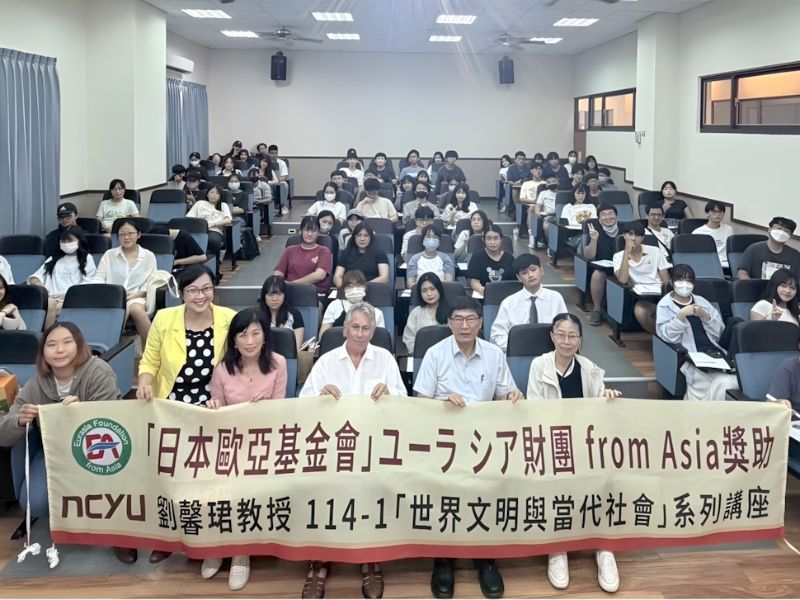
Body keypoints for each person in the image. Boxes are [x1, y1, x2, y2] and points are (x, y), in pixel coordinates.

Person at [413, 297, 521, 600]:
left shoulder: (494, 354)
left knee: (487, 489)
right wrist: (442, 404)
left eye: (471, 319)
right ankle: (443, 557)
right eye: (458, 319)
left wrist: (513, 398)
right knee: (444, 493)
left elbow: (505, 395)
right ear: (448, 323)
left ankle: (485, 556)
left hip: (484, 439)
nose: (464, 325)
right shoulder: (435, 354)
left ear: (480, 322)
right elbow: (419, 403)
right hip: (444, 439)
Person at [299, 302, 406, 600]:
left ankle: (370, 560)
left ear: (373, 332)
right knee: (322, 491)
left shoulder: (385, 359)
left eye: (366, 328)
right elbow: (303, 401)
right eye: (355, 327)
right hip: (333, 445)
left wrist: (390, 395)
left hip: (373, 443)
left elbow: (403, 399)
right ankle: (320, 561)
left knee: (373, 490)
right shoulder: (327, 361)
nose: (360, 333)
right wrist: (320, 396)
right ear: (345, 329)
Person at [526, 312, 621, 594]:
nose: (566, 341)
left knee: (606, 480)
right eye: (561, 334)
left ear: (580, 340)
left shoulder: (589, 367)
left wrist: (607, 397)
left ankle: (604, 547)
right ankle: (558, 547)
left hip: (584, 441)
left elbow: (599, 402)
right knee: (557, 485)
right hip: (550, 441)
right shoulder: (539, 365)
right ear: (552, 336)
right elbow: (534, 409)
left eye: (573, 336)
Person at [202, 308, 287, 591]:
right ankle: (217, 545)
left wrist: (268, 407)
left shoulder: (278, 364)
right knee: (216, 481)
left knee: (247, 485)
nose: (249, 341)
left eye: (255, 333)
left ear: (265, 336)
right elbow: (216, 413)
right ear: (234, 340)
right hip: (230, 441)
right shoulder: (222, 369)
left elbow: (281, 411)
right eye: (242, 335)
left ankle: (241, 551)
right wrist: (213, 407)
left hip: (266, 442)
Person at [0, 322, 119, 521]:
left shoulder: (99, 372)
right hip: (54, 452)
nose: (60, 350)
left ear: (79, 345)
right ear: (43, 352)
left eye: (67, 342)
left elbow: (111, 424)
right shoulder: (36, 383)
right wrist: (19, 421)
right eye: (51, 344)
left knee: (99, 498)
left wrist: (83, 413)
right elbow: (3, 434)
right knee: (34, 503)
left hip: (96, 452)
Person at [656, 264, 739, 401]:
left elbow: (719, 332)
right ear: (671, 282)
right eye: (680, 279)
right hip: (692, 356)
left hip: (714, 353)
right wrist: (680, 317)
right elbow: (666, 335)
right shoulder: (664, 305)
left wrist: (705, 316)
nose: (684, 284)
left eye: (688, 280)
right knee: (720, 383)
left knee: (730, 381)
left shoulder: (702, 302)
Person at [93, 219, 156, 343]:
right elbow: (99, 278)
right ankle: (110, 345)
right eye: (122, 234)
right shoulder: (109, 255)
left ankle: (153, 346)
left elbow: (151, 280)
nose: (126, 237)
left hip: (137, 295)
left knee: (135, 308)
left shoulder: (148, 256)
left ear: (138, 234)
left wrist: (138, 294)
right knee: (122, 306)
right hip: (111, 296)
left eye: (130, 233)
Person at [490, 254, 567, 351]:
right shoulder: (509, 303)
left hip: (550, 352)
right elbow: (496, 335)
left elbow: (566, 328)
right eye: (524, 273)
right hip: (518, 353)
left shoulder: (556, 298)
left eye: (533, 270)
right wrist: (518, 346)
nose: (530, 275)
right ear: (518, 277)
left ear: (541, 271)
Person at [29, 227, 96, 328]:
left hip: (72, 299)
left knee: (54, 308)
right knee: (50, 304)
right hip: (50, 298)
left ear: (79, 241)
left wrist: (68, 295)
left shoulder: (87, 258)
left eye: (70, 240)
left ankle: (47, 333)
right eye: (63, 241)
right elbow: (35, 277)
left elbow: (89, 282)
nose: (66, 243)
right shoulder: (53, 259)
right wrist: (40, 285)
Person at [613, 221, 670, 333]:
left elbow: (666, 280)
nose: (633, 238)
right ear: (624, 236)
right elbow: (622, 279)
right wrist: (626, 254)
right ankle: (660, 336)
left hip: (659, 293)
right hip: (638, 295)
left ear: (642, 238)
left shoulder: (655, 251)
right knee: (641, 311)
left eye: (637, 235)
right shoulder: (618, 256)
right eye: (630, 234)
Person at [274, 216, 333, 294]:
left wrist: (292, 284)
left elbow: (319, 275)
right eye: (306, 230)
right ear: (300, 231)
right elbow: (278, 273)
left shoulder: (323, 251)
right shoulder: (289, 250)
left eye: (313, 231)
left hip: (314, 293)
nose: (310, 234)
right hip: (290, 292)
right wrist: (278, 283)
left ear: (318, 233)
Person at [583, 204, 621, 326]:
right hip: (602, 267)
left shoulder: (625, 230)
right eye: (603, 215)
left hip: (622, 266)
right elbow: (589, 256)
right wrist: (594, 240)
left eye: (610, 213)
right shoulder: (594, 231)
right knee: (598, 275)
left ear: (616, 216)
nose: (608, 217)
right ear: (599, 219)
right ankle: (597, 309)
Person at [320, 270, 385, 336]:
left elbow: (380, 339)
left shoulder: (376, 313)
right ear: (344, 289)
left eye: (358, 285)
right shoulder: (334, 306)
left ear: (365, 288)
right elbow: (323, 336)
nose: (354, 289)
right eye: (349, 286)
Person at [402, 272, 449, 353]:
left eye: (432, 289)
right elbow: (408, 338)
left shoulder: (451, 311)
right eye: (424, 291)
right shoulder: (416, 313)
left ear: (439, 289)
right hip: (422, 356)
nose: (429, 294)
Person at [334, 223, 389, 287]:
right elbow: (337, 277)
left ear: (371, 237)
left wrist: (362, 287)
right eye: (359, 235)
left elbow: (384, 278)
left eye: (366, 235)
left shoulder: (380, 254)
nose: (362, 239)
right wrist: (346, 288)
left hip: (372, 289)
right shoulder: (345, 253)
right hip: (349, 289)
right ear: (354, 237)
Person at [186, 184, 232, 260]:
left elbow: (228, 220)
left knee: (212, 240)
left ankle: (214, 262)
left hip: (214, 230)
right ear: (207, 194)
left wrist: (211, 224)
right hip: (198, 230)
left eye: (217, 193)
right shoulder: (199, 203)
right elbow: (189, 218)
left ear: (220, 196)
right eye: (212, 192)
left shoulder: (223, 205)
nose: (214, 195)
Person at [258, 275, 305, 351]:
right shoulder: (256, 315)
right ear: (264, 296)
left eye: (279, 294)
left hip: (288, 355)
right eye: (270, 294)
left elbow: (296, 347)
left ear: (284, 295)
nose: (275, 299)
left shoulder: (295, 314)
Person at [467, 224, 515, 296]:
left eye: (496, 238)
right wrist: (481, 289)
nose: (492, 242)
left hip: (507, 296)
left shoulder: (510, 258)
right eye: (489, 239)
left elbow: (514, 282)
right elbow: (474, 281)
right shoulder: (477, 257)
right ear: (483, 240)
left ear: (501, 239)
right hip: (485, 295)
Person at [692, 200, 733, 269]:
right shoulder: (697, 232)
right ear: (707, 213)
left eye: (720, 212)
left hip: (726, 264)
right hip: (708, 264)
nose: (717, 214)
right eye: (714, 212)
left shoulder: (729, 229)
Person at [267, 144, 291, 214]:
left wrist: (276, 181)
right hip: (268, 181)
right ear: (268, 153)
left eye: (276, 153)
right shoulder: (265, 162)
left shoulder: (282, 163)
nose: (274, 155)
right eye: (272, 153)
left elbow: (284, 176)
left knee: (285, 184)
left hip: (278, 181)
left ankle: (282, 205)